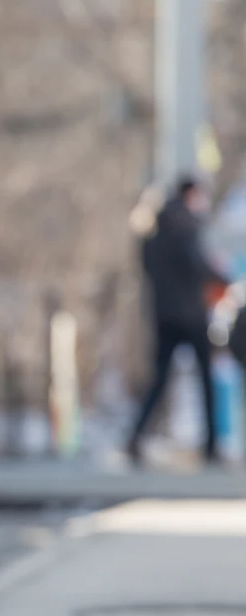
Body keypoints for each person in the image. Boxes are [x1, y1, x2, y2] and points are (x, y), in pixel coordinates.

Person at [128, 174, 229, 464]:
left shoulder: (152, 229)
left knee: (159, 379)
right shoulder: (186, 227)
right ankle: (211, 446)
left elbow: (147, 268)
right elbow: (199, 266)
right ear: (191, 194)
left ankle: (136, 435)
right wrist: (226, 278)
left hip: (163, 314)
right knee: (206, 382)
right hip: (192, 316)